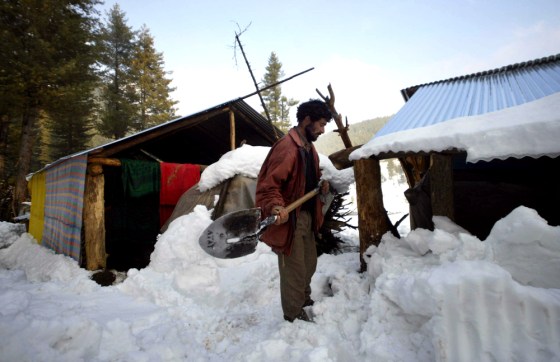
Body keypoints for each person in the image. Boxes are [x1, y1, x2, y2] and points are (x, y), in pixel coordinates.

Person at [255, 99, 333, 322]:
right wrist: (276, 207)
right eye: (320, 124)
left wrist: (321, 185)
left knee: (308, 263)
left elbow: (307, 178)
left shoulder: (308, 147)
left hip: (307, 214)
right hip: (291, 219)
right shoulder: (287, 148)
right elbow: (269, 186)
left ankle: (304, 300)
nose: (322, 129)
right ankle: (293, 313)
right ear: (307, 120)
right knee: (294, 269)